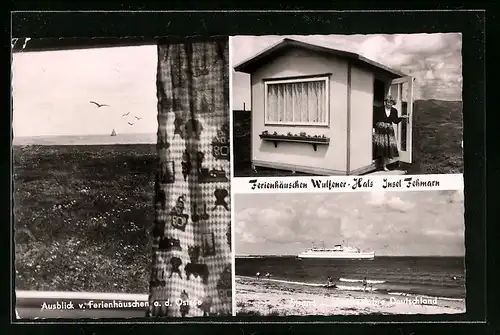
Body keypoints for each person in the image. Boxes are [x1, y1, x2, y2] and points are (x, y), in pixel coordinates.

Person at [373, 95, 409, 171]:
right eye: (387, 102)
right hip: (380, 131)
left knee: (387, 148)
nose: (389, 104)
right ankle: (378, 165)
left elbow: (395, 121)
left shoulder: (394, 111)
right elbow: (374, 120)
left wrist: (401, 118)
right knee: (380, 147)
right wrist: (373, 129)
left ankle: (384, 165)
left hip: (389, 131)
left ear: (393, 103)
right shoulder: (379, 109)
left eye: (391, 102)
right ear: (385, 102)